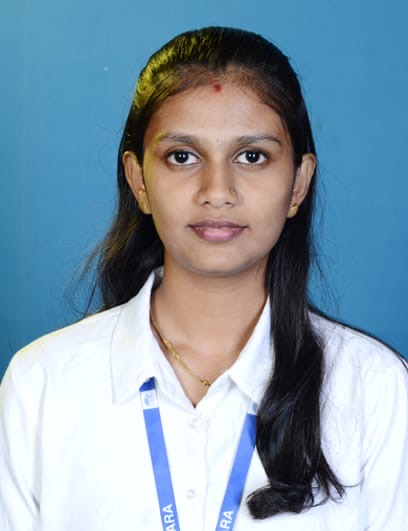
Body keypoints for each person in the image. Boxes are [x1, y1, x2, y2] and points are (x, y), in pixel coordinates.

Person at [0, 26, 407, 531]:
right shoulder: (42, 384)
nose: (217, 191)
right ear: (138, 181)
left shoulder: (374, 389)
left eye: (252, 156)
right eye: (182, 156)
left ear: (298, 183)